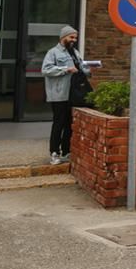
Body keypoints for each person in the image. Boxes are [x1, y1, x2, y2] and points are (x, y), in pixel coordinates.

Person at [42, 25, 92, 165]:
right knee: (58, 124)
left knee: (69, 124)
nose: (74, 40)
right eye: (71, 37)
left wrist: (89, 69)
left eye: (75, 38)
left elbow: (81, 68)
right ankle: (54, 153)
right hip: (59, 95)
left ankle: (66, 152)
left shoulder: (75, 52)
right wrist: (66, 69)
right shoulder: (53, 52)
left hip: (73, 94)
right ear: (63, 37)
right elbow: (46, 70)